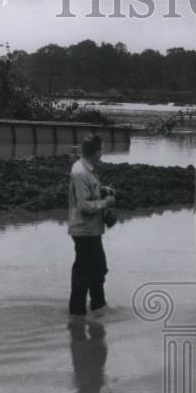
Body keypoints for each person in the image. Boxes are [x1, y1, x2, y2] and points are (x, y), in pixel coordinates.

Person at [68, 134, 115, 324]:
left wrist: (102, 190)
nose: (102, 153)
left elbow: (87, 195)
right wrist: (105, 202)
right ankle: (79, 314)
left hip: (92, 230)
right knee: (85, 273)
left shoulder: (88, 170)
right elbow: (84, 206)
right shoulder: (80, 172)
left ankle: (97, 308)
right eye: (101, 150)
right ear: (95, 152)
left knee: (97, 270)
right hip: (84, 230)